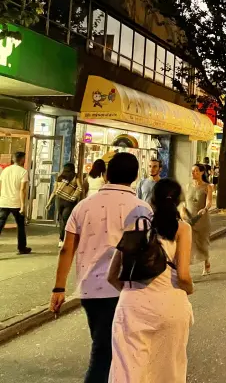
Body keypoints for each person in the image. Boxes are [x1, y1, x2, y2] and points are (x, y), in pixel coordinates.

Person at [50, 152, 152, 383]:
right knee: (112, 352)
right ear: (135, 177)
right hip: (129, 289)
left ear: (106, 175)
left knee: (105, 347)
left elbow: (67, 249)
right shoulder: (142, 209)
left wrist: (58, 288)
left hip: (91, 289)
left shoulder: (83, 207)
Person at [107, 178, 194, 383]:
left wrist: (134, 293)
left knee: (128, 372)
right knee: (168, 371)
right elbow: (183, 276)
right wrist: (188, 289)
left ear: (151, 200)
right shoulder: (182, 229)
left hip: (132, 308)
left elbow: (112, 275)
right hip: (170, 306)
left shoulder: (134, 226)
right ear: (179, 201)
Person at [182, 164, 213, 275]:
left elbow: (209, 202)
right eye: (192, 171)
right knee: (188, 244)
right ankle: (186, 269)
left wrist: (205, 209)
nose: (193, 173)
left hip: (202, 219)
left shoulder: (208, 187)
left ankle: (206, 262)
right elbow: (184, 202)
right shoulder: (187, 186)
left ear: (201, 173)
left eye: (195, 171)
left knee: (202, 242)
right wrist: (182, 211)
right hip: (189, 219)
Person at [0, 151, 32, 255]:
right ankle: (22, 248)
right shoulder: (23, 172)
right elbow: (22, 190)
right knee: (21, 226)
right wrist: (23, 206)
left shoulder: (5, 170)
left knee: (0, 225)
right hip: (16, 203)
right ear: (22, 159)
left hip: (4, 202)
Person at [47, 163, 82, 248]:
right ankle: (66, 239)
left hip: (59, 200)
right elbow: (80, 188)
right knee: (67, 220)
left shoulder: (59, 177)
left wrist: (49, 202)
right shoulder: (75, 177)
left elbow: (54, 191)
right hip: (69, 202)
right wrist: (73, 197)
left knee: (61, 220)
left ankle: (61, 240)